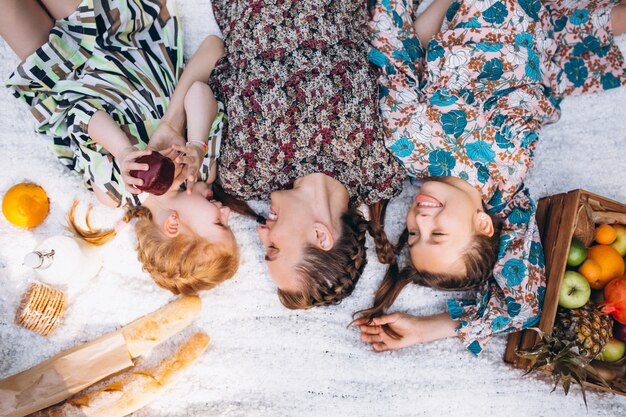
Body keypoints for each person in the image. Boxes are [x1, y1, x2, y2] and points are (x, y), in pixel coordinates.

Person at [355, 0, 626, 354]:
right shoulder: (507, 197)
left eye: (413, 233)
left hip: (480, 13)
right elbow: (523, 307)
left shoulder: (409, 145)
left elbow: (392, 55)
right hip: (543, 39)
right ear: (483, 224)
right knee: (603, 24)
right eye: (436, 233)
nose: (420, 220)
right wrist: (429, 328)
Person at [157, 0, 407, 309]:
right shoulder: (383, 170)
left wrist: (171, 123)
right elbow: (401, 59)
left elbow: (212, 58)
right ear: (321, 236)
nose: (261, 233)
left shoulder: (244, 172)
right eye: (274, 248)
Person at [1, 0, 238, 295]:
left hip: (59, 72)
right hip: (113, 40)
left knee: (8, 9)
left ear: (173, 225)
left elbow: (84, 115)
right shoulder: (201, 165)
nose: (227, 212)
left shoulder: (114, 191)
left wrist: (124, 152)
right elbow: (203, 81)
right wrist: (193, 140)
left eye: (220, 224)